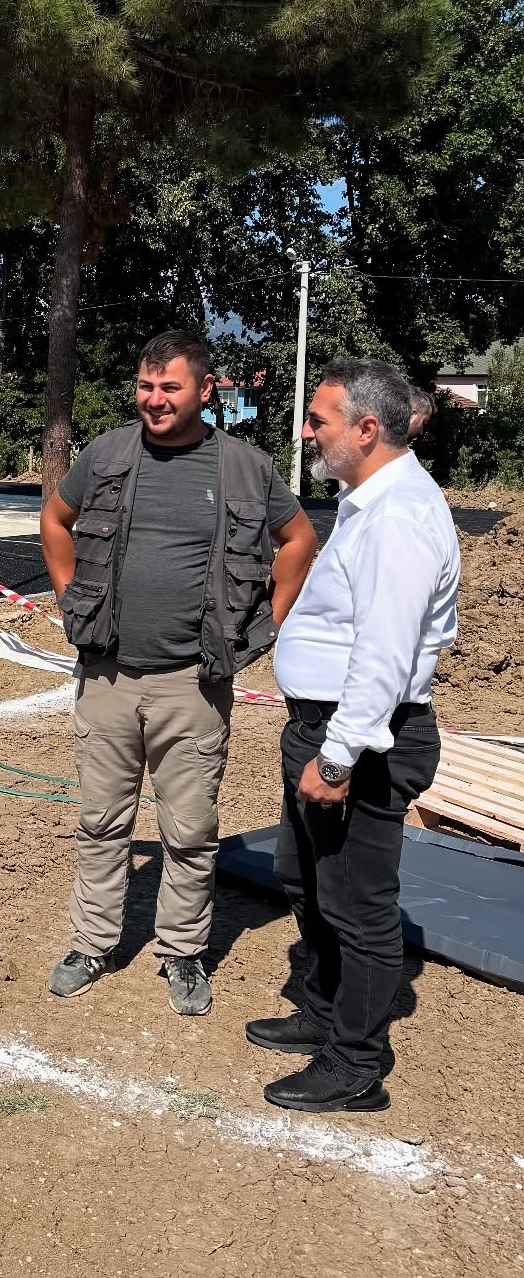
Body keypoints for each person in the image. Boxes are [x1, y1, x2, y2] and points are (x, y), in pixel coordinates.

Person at [40, 332, 318, 1016]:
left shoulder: (245, 467)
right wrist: (72, 602)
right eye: (146, 385)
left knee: (190, 832)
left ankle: (183, 951)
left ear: (205, 390)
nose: (155, 399)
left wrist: (266, 622)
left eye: (170, 387)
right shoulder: (108, 454)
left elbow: (298, 539)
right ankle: (92, 943)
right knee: (101, 823)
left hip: (195, 684)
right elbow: (55, 518)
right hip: (107, 677)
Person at [251, 357, 459, 1113]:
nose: (307, 431)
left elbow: (385, 653)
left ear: (366, 429)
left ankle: (356, 1064)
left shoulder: (398, 517)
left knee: (358, 907)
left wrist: (337, 758)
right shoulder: (368, 501)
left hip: (363, 740)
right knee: (303, 878)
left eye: (319, 421)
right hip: (323, 727)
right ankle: (322, 1011)